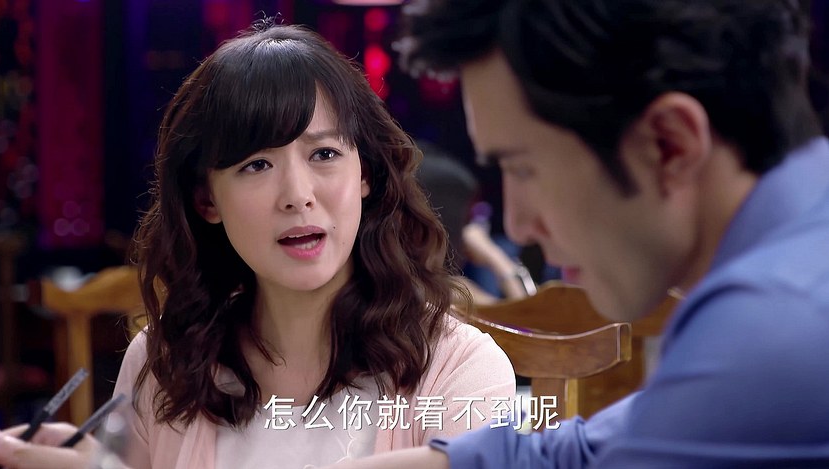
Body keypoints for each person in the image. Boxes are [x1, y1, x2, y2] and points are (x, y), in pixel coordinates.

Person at [328, 0, 829, 467]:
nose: (519, 224)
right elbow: (593, 448)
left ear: (668, 145)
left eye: (523, 169)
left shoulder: (771, 330)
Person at [0, 23, 515, 469]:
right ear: (206, 200)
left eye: (324, 154)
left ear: (366, 174)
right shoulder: (168, 362)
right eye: (256, 164)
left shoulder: (458, 368)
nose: (297, 195)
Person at [415, 141, 533, 304]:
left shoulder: (402, 285)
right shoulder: (448, 292)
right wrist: (498, 260)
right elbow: (527, 315)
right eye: (469, 218)